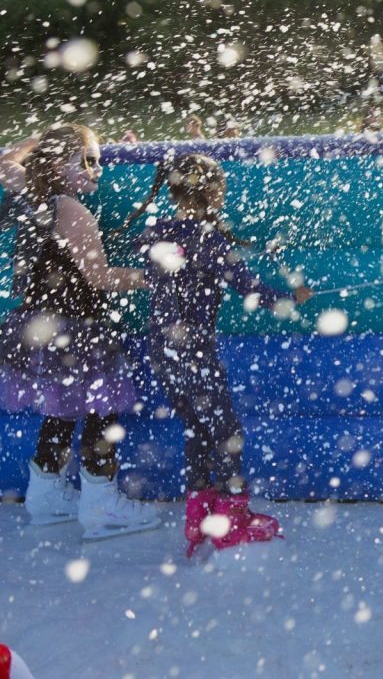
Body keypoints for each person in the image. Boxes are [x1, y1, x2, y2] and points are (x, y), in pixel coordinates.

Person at [122, 153, 312, 557]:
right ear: (210, 191)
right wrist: (291, 298)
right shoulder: (209, 240)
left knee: (196, 429)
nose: (223, 196)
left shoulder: (157, 233)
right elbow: (252, 291)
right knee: (225, 433)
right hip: (194, 350)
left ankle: (199, 515)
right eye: (221, 189)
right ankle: (231, 522)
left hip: (162, 348)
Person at [0, 126, 159, 540]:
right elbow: (101, 277)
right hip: (76, 328)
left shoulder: (32, 197)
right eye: (87, 160)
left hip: (39, 326)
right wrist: (155, 276)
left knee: (62, 408)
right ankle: (101, 500)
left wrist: (40, 138)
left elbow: (4, 163)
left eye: (97, 160)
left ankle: (46, 495)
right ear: (58, 165)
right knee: (101, 410)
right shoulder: (72, 210)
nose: (97, 169)